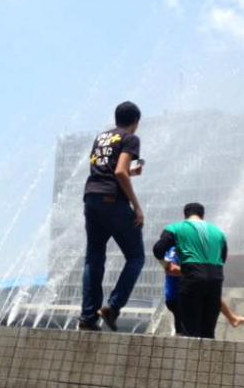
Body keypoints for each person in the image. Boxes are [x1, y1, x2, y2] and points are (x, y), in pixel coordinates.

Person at [79, 101, 145, 331]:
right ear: (135, 122)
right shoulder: (130, 138)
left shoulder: (101, 138)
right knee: (136, 257)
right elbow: (119, 172)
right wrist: (136, 207)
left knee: (94, 258)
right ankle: (113, 307)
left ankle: (88, 317)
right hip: (112, 201)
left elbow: (108, 170)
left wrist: (131, 172)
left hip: (91, 199)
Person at [152, 202, 229, 338]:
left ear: (185, 215)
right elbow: (223, 258)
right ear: (202, 215)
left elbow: (158, 250)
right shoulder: (219, 233)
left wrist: (167, 265)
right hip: (215, 279)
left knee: (190, 331)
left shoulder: (175, 228)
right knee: (208, 332)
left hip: (192, 277)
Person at [162, 246, 244, 335]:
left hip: (188, 293)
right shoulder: (175, 249)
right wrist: (194, 272)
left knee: (211, 292)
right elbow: (171, 269)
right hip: (178, 297)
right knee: (185, 332)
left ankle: (232, 318)